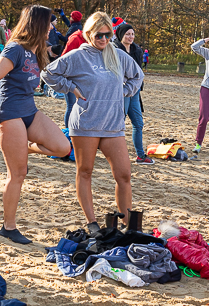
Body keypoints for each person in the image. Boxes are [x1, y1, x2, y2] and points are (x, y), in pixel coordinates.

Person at [44, 12, 144, 238]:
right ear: (89, 34)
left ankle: (129, 225)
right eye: (99, 35)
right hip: (86, 124)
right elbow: (48, 73)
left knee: (124, 174)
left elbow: (137, 76)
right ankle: (92, 222)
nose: (104, 39)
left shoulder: (117, 55)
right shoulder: (78, 56)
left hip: (112, 125)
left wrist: (124, 92)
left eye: (108, 34)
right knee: (85, 171)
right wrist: (70, 87)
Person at [0, 5, 73, 244]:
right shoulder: (15, 48)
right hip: (10, 113)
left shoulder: (38, 50)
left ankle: (27, 148)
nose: (52, 27)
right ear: (38, 24)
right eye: (49, 23)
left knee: (62, 147)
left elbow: (58, 67)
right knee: (18, 174)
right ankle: (8, 227)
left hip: (29, 111)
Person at [115, 22, 150, 164]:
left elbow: (138, 73)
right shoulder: (114, 49)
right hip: (121, 91)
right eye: (127, 34)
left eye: (132, 34)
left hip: (134, 91)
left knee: (138, 123)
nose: (131, 37)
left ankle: (140, 156)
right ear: (120, 35)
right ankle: (115, 154)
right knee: (119, 123)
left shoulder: (137, 50)